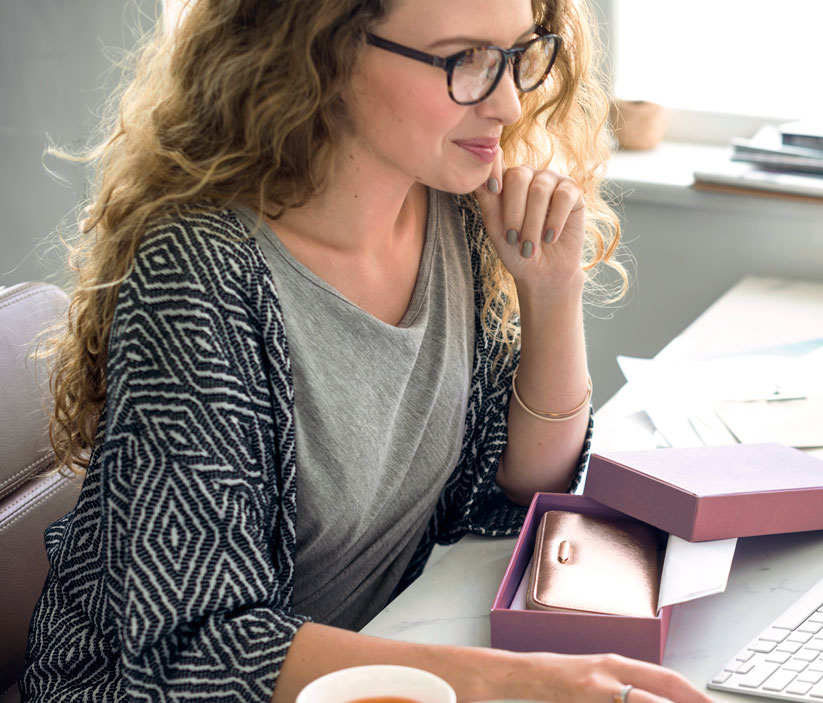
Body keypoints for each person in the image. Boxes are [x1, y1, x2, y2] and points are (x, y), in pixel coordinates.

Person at [22, 0, 711, 702]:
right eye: (464, 60)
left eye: (518, 54)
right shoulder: (200, 277)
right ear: (325, 51)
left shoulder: (452, 206)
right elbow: (194, 648)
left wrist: (551, 289)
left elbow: (517, 492)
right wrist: (523, 682)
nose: (507, 102)